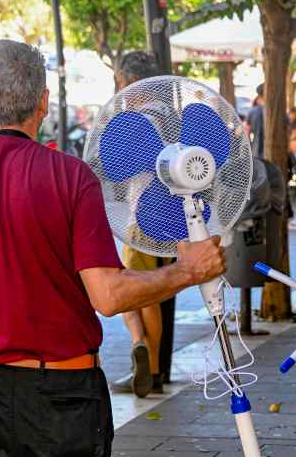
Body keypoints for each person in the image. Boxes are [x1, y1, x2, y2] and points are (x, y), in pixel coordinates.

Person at [0, 40, 226, 455]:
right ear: (43, 103)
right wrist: (188, 271)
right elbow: (107, 297)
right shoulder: (71, 177)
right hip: (61, 395)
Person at [110, 50, 170, 397]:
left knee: (136, 290)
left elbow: (117, 165)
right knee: (151, 292)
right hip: (167, 211)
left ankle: (145, 352)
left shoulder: (138, 120)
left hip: (142, 212)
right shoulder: (168, 114)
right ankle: (150, 360)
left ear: (130, 83)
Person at [247, 84, 296, 230]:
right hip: (276, 157)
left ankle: (257, 219)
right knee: (279, 187)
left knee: (257, 188)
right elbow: (287, 135)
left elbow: (246, 134)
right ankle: (288, 217)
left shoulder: (252, 112)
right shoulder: (280, 113)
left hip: (256, 156)